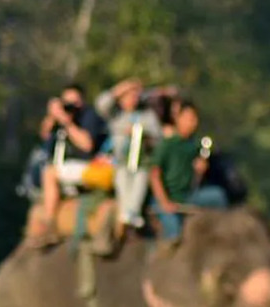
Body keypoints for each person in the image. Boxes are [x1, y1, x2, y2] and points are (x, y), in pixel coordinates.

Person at [27, 84, 108, 245]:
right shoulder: (60, 117)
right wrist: (52, 116)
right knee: (46, 171)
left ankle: (50, 224)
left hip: (87, 167)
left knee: (49, 173)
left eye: (74, 102)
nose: (70, 106)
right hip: (63, 167)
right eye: (66, 102)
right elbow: (44, 134)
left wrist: (68, 123)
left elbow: (87, 145)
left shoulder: (89, 116)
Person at [148, 99, 226, 240]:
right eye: (189, 118)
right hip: (169, 197)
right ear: (178, 118)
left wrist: (200, 170)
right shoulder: (167, 145)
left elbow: (196, 179)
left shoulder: (194, 145)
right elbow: (154, 174)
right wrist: (164, 202)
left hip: (189, 196)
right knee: (173, 233)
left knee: (218, 196)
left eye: (195, 119)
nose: (193, 123)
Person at [96, 78, 167, 228]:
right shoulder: (116, 116)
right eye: (128, 96)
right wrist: (123, 87)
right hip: (119, 161)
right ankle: (126, 212)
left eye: (135, 95)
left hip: (141, 161)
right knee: (121, 178)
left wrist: (143, 135)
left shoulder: (147, 116)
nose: (132, 99)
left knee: (141, 178)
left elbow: (159, 138)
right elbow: (101, 103)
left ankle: (131, 213)